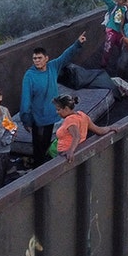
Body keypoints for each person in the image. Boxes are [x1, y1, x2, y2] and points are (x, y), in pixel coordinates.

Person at [21, 32, 86, 167]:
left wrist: (78, 43)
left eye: (39, 58)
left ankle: (44, 166)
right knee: (38, 146)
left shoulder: (52, 67)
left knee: (46, 143)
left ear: (46, 58)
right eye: (34, 59)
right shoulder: (29, 75)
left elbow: (65, 56)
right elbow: (25, 99)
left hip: (52, 114)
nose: (37, 61)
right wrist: (26, 119)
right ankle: (37, 171)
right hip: (38, 118)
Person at [52, 94, 118, 162]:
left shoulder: (70, 120)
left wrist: (70, 151)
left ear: (66, 108)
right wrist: (109, 128)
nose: (57, 112)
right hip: (78, 150)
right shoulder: (82, 115)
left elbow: (77, 136)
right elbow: (99, 130)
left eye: (58, 109)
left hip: (65, 153)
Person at [99, 0, 127, 67]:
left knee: (122, 48)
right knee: (108, 48)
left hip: (121, 32)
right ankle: (103, 65)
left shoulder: (125, 9)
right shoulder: (113, 6)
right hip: (112, 30)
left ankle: (120, 64)